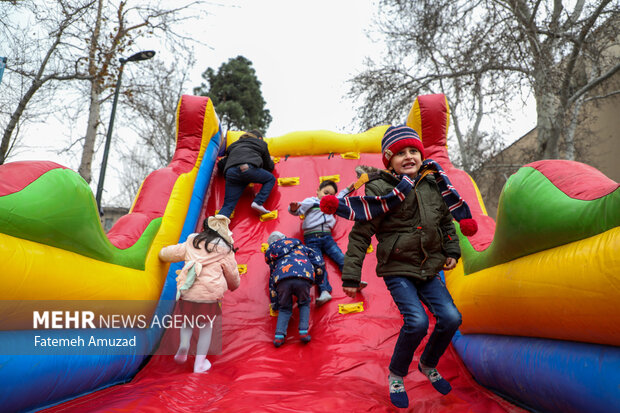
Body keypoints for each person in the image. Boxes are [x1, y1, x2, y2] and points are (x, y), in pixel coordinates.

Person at [341, 125, 462, 408]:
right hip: (397, 269)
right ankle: (396, 374)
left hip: (429, 266)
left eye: (413, 151)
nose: (408, 157)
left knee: (451, 318)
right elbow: (360, 235)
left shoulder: (433, 184)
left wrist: (452, 250)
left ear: (421, 156)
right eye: (400, 153)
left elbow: (445, 222)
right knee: (417, 322)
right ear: (388, 160)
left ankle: (428, 363)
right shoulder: (381, 189)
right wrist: (351, 276)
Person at [158, 214, 240, 373]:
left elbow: (172, 253)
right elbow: (232, 274)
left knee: (187, 322)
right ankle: (199, 364)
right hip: (209, 296)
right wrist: (234, 285)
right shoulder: (225, 249)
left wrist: (160, 253)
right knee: (205, 328)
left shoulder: (192, 242)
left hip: (188, 291)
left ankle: (184, 345)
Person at [288, 180, 366, 306]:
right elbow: (298, 210)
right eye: (325, 192)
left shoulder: (332, 203)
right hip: (311, 238)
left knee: (341, 257)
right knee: (318, 265)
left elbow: (341, 196)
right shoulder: (311, 201)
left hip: (327, 237)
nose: (327, 196)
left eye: (331, 195)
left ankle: (353, 281)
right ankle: (324, 291)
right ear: (318, 191)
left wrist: (348, 188)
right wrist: (293, 208)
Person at [264, 231, 324, 348]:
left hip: (282, 280)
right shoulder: (300, 246)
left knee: (284, 308)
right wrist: (318, 280)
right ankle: (303, 332)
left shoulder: (273, 255)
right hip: (303, 277)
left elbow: (272, 280)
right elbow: (318, 261)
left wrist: (275, 303)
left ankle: (279, 336)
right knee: (304, 303)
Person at [217, 129, 276, 217]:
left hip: (231, 173)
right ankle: (258, 202)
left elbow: (221, 164)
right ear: (259, 138)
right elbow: (269, 167)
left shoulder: (233, 146)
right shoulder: (261, 143)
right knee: (270, 179)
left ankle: (214, 228)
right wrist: (271, 160)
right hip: (247, 169)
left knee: (228, 205)